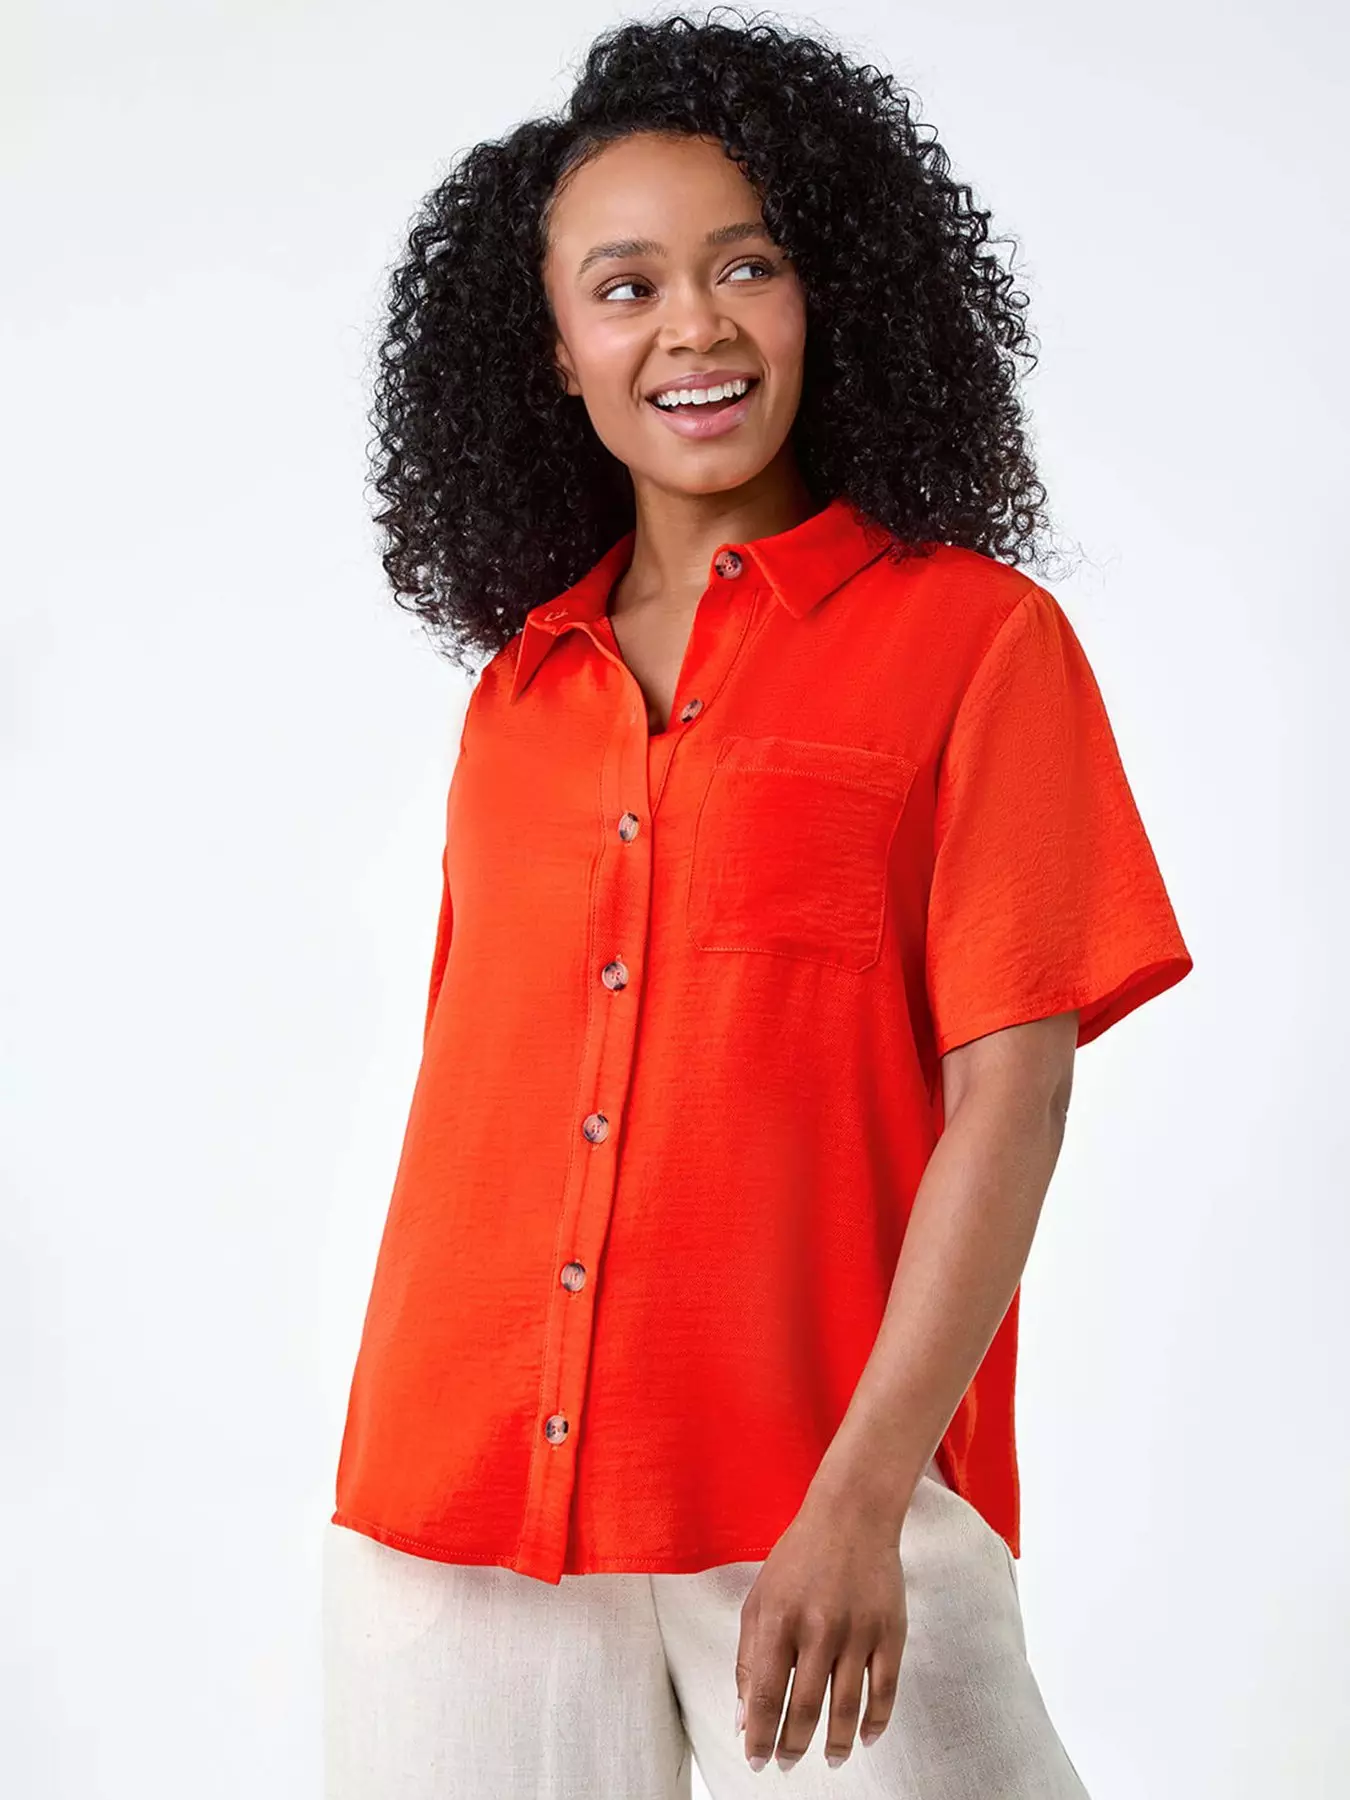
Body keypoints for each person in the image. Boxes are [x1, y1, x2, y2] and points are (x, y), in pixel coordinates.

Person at [322, 10, 1194, 1796]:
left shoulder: (975, 643)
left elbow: (1012, 1094)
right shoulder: (520, 693)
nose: (694, 326)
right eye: (624, 287)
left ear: (825, 296)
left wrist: (863, 1498)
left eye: (746, 266)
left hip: (820, 1504)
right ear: (555, 351)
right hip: (456, 1506)